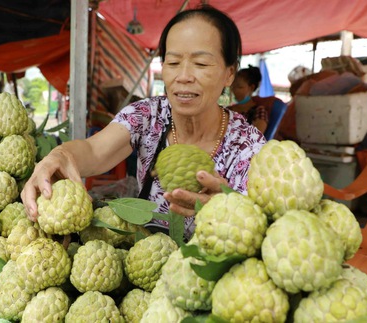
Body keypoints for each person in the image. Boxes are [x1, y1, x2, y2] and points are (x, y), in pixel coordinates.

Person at [21, 5, 266, 239]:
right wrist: (61, 155)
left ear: (229, 73)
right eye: (172, 62)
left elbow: (262, 224)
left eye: (201, 63)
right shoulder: (148, 115)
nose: (183, 76)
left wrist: (229, 207)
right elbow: (94, 150)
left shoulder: (248, 145)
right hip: (147, 261)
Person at [229, 65, 269, 133]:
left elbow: (256, 137)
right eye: (233, 86)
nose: (234, 90)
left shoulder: (259, 111)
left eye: (239, 87)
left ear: (251, 88)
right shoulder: (229, 110)